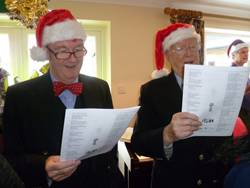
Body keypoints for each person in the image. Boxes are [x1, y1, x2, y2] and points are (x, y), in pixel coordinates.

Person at [3, 9, 124, 188]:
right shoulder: (19, 95)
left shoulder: (100, 87)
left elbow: (109, 145)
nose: (73, 59)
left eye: (77, 50)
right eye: (62, 51)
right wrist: (43, 164)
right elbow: (11, 158)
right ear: (46, 53)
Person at [131, 23, 230, 188]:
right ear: (168, 54)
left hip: (215, 179)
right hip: (173, 180)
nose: (189, 53)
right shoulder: (152, 90)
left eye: (193, 47)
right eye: (180, 48)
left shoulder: (219, 83)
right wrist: (167, 134)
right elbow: (139, 142)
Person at [228, 40, 250, 131]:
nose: (246, 55)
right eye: (243, 52)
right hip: (239, 114)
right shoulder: (231, 72)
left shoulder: (243, 71)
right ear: (233, 55)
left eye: (247, 52)